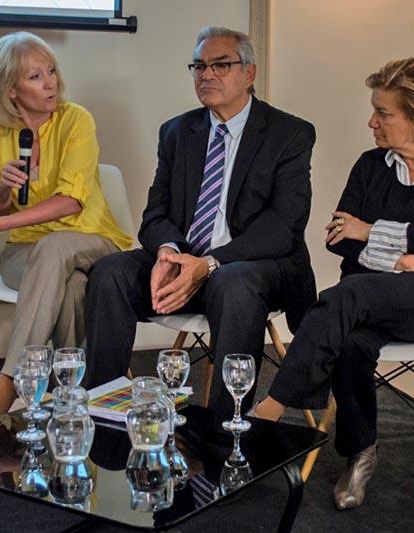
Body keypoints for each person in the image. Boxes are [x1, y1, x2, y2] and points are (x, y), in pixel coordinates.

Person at [253, 58, 414, 510]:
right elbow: (336, 239)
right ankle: (360, 452)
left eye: (383, 113)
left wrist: (368, 232)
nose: (372, 122)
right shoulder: (371, 165)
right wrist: (400, 258)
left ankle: (270, 411)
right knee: (350, 339)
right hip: (379, 293)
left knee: (348, 296)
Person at [82, 26, 317, 420]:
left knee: (233, 281)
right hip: (184, 263)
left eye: (220, 65)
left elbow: (283, 227)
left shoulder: (288, 133)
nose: (206, 75)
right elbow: (155, 214)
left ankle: (228, 428)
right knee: (110, 273)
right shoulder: (177, 132)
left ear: (249, 73)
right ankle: (103, 409)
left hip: (255, 268)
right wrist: (169, 252)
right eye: (199, 66)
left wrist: (208, 264)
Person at [0, 32, 131, 421]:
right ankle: (72, 394)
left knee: (56, 248)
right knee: (74, 286)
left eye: (51, 71)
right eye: (35, 77)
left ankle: (11, 382)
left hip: (93, 240)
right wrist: (3, 188)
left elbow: (71, 201)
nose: (50, 82)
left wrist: (4, 220)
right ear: (10, 89)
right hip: (24, 253)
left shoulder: (76, 120)